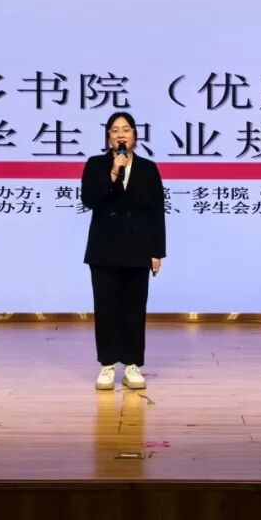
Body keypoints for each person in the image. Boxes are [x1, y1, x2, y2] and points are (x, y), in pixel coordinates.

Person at [81, 112, 166, 391]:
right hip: (104, 248)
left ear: (135, 136)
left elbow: (156, 211)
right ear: (108, 138)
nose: (121, 134)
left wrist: (157, 251)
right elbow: (89, 199)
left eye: (126, 129)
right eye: (115, 130)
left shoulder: (148, 168)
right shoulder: (96, 165)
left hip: (138, 248)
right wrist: (113, 171)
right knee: (105, 308)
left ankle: (132, 364)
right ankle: (107, 365)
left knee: (134, 308)